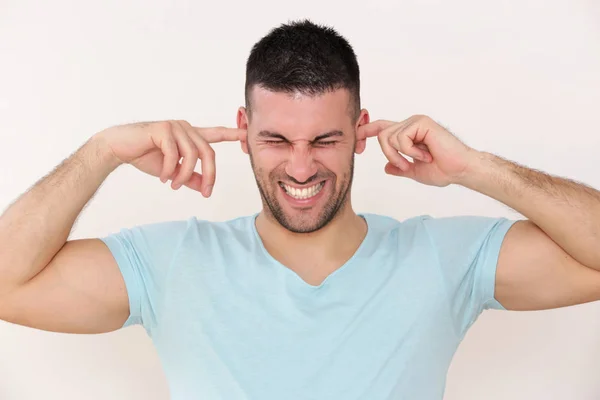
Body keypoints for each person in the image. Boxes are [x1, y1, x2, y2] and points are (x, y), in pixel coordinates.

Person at [0, 19, 599, 400]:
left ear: (361, 130)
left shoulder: (443, 257)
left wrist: (475, 167)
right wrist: (102, 150)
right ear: (243, 129)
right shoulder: (171, 263)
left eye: (325, 140)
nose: (302, 167)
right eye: (278, 141)